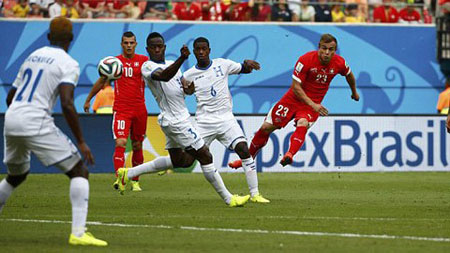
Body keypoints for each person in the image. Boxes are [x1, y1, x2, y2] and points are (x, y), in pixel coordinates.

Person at [0, 17, 107, 247]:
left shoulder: (32, 56)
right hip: (35, 120)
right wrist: (81, 141)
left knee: (16, 176)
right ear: (71, 38)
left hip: (12, 118)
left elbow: (11, 96)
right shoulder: (68, 63)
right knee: (79, 171)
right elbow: (67, 103)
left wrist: (20, 118)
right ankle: (78, 234)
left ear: (48, 36)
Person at [117, 32, 251, 207]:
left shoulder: (173, 65)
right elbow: (164, 76)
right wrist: (181, 58)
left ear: (164, 47)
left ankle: (127, 173)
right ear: (147, 49)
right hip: (176, 121)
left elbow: (184, 89)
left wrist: (189, 88)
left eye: (160, 46)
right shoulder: (147, 66)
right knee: (205, 155)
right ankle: (229, 198)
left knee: (180, 161)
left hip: (178, 118)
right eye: (153, 47)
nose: (157, 49)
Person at [229, 34, 359, 169]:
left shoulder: (340, 62)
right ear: (318, 47)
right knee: (266, 128)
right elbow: (296, 87)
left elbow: (349, 75)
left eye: (331, 49)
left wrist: (354, 92)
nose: (327, 53)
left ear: (335, 50)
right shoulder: (306, 60)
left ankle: (289, 154)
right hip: (293, 100)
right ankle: (247, 160)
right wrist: (313, 104)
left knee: (302, 123)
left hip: (311, 105)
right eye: (324, 48)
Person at [182, 37, 269, 203]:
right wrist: (188, 91)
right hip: (204, 122)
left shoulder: (222, 64)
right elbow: (185, 93)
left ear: (209, 50)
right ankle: (156, 167)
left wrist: (248, 64)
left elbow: (243, 69)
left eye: (204, 49)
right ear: (193, 51)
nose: (201, 52)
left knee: (244, 149)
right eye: (198, 49)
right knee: (186, 161)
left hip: (226, 119)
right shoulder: (188, 75)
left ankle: (255, 194)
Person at [84, 31, 148, 192]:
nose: (128, 46)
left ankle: (136, 181)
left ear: (136, 44)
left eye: (131, 43)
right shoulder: (115, 63)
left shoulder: (143, 61)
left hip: (140, 108)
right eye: (125, 43)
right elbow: (102, 80)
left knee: (137, 145)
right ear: (121, 44)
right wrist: (88, 99)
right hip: (122, 109)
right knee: (120, 142)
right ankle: (120, 179)